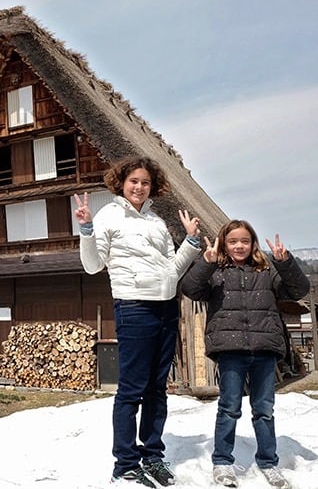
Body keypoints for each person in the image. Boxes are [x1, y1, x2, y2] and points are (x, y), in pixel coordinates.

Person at [74, 156, 202, 487]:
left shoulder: (157, 221)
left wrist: (189, 243)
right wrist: (86, 228)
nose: (139, 187)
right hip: (134, 307)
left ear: (152, 186)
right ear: (121, 182)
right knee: (132, 389)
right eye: (134, 181)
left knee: (157, 389)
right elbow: (91, 265)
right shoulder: (109, 216)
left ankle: (153, 456)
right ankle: (126, 463)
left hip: (165, 308)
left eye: (145, 182)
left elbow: (172, 270)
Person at [180, 220, 309, 488]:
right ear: (225, 244)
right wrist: (206, 262)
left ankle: (268, 462)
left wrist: (285, 263)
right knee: (229, 408)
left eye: (245, 241)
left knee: (264, 410)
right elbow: (191, 289)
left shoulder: (267, 271)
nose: (239, 246)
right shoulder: (216, 272)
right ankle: (223, 462)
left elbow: (299, 290)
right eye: (233, 241)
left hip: (264, 349)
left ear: (253, 244)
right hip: (230, 350)